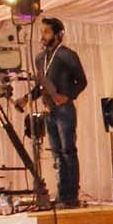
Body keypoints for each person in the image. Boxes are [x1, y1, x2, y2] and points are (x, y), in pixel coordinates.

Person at [35, 15, 86, 206]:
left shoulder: (67, 55)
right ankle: (62, 192)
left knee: (68, 150)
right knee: (56, 152)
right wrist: (27, 99)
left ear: (58, 34)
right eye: (41, 31)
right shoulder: (40, 58)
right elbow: (40, 85)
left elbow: (81, 81)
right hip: (49, 110)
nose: (43, 35)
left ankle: (71, 194)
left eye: (46, 31)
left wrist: (68, 95)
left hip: (64, 109)